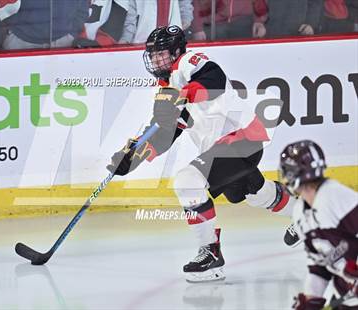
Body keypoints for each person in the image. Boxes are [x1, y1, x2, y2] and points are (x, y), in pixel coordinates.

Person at [107, 25, 298, 282]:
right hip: (232, 147)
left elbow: (214, 79)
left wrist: (182, 95)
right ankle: (306, 214)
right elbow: (164, 134)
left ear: (176, 52)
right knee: (254, 193)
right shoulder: (166, 87)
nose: (155, 60)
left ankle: (211, 254)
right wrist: (132, 158)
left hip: (241, 139)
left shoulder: (189, 62)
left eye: (160, 54)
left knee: (187, 181)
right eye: (152, 55)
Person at [279, 140, 357, 310]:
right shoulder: (300, 212)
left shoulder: (336, 197)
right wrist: (311, 299)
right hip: (345, 298)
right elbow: (319, 267)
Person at [3, 0, 88, 50]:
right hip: (20, 41)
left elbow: (82, 9)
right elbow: (0, 7)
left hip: (62, 42)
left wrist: (71, 34)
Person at [118, 0, 193, 44]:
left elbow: (184, 2)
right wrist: (126, 38)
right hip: (143, 40)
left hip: (171, 40)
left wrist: (185, 18)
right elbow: (131, 12)